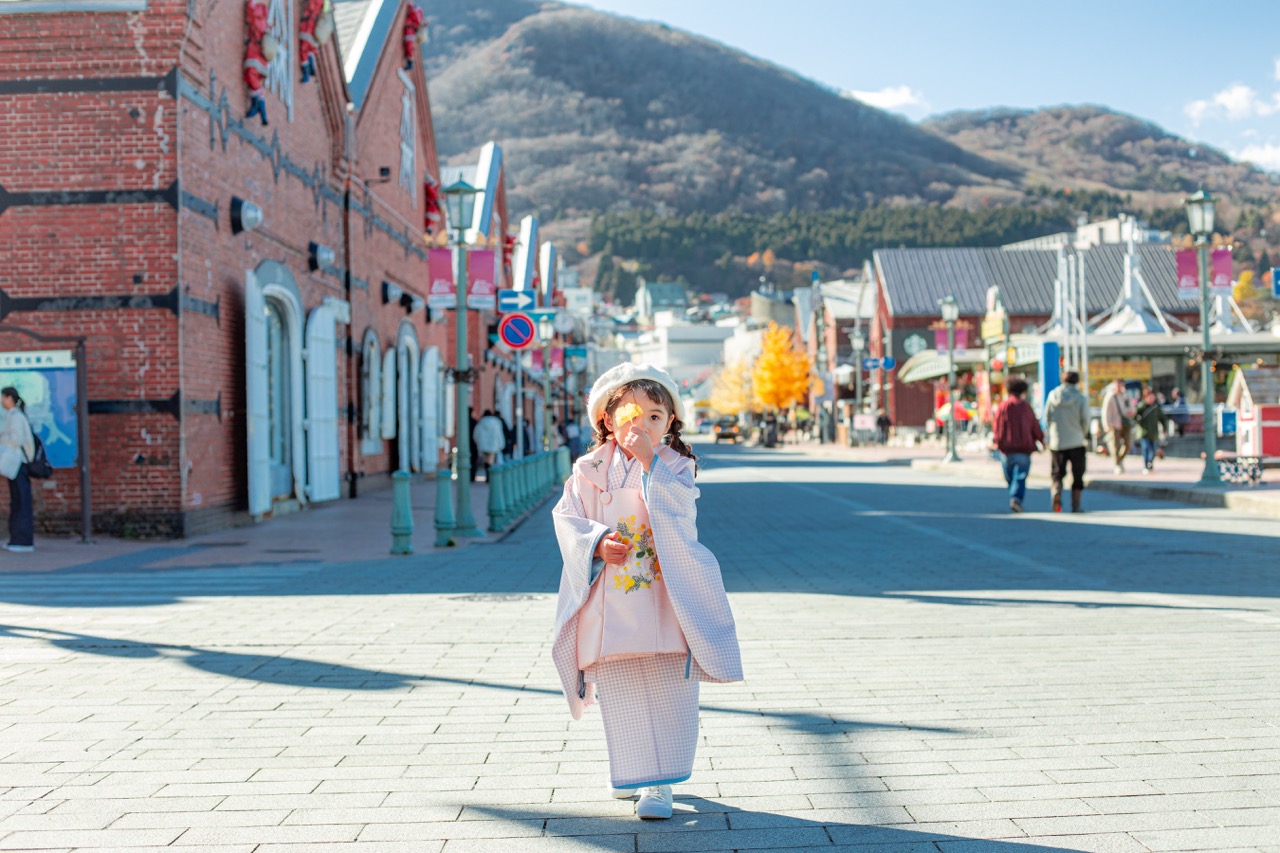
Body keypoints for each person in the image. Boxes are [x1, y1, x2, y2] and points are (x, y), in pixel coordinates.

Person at [551, 362, 742, 821]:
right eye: (632, 415)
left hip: (664, 594)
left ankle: (660, 784)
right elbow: (567, 517)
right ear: (607, 421)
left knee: (666, 686)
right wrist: (596, 541)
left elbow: (679, 514)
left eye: (656, 416)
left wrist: (649, 463)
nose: (643, 425)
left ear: (671, 423)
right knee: (621, 690)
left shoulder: (675, 466)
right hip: (611, 597)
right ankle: (633, 770)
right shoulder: (588, 470)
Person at [991, 377, 1043, 513]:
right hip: (1024, 448)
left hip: (1006, 448)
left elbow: (996, 426)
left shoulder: (1002, 406)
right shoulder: (1026, 407)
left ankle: (1014, 496)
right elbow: (1035, 426)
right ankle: (1016, 498)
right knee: (1020, 475)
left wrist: (997, 442)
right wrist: (1041, 439)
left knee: (1009, 476)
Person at [1043, 370, 1090, 513]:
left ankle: (1056, 490)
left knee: (1057, 472)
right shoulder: (1081, 398)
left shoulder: (1053, 395)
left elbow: (1046, 418)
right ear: (1076, 382)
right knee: (1077, 474)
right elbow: (1086, 420)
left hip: (1058, 442)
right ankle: (1076, 505)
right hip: (1076, 440)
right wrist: (1084, 433)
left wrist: (1052, 432)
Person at [1, 387, 36, 552]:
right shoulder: (14, 416)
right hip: (16, 465)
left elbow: (17, 439)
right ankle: (17, 539)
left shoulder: (15, 416)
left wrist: (2, 439)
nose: (1, 401)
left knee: (21, 501)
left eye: (3, 397)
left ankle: (23, 541)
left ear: (9, 398)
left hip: (18, 464)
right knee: (18, 501)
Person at [1100, 379, 1134, 474]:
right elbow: (1105, 412)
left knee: (1127, 444)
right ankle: (1117, 464)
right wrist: (1106, 425)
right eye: (1118, 385)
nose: (1120, 387)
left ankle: (1120, 460)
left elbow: (1132, 407)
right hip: (1114, 424)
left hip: (1126, 423)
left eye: (1121, 384)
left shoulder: (1126, 395)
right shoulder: (1110, 396)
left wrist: (1131, 411)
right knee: (1116, 446)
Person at [1133, 387, 1168, 474]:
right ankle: (1146, 465)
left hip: (1154, 433)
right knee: (1146, 448)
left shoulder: (1156, 408)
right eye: (1149, 396)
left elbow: (1163, 418)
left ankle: (1150, 463)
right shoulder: (1142, 406)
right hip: (1144, 432)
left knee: (1153, 449)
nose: (1151, 398)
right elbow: (1134, 416)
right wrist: (1139, 422)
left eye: (1152, 396)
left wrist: (1165, 428)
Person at [473, 410, 506, 479]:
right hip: (493, 445)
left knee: (486, 459)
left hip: (483, 444)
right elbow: (499, 434)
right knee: (491, 460)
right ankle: (489, 475)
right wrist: (501, 444)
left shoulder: (481, 422)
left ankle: (487, 473)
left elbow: (476, 434)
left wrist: (478, 442)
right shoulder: (496, 422)